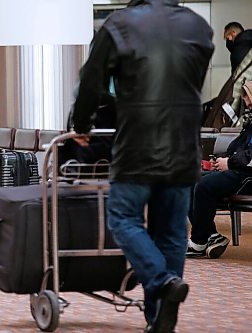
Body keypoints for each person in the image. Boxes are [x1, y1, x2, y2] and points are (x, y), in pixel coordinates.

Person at [71, 1, 214, 332]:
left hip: (137, 146)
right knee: (172, 233)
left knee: (123, 218)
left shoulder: (118, 25)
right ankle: (160, 319)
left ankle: (163, 282)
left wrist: (81, 126)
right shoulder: (197, 26)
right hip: (184, 146)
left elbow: (92, 81)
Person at [187, 81, 252, 259]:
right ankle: (211, 236)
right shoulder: (250, 122)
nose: (245, 100)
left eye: (247, 96)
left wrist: (229, 163)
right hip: (239, 172)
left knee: (204, 185)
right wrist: (220, 160)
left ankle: (199, 242)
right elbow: (237, 148)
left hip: (246, 178)